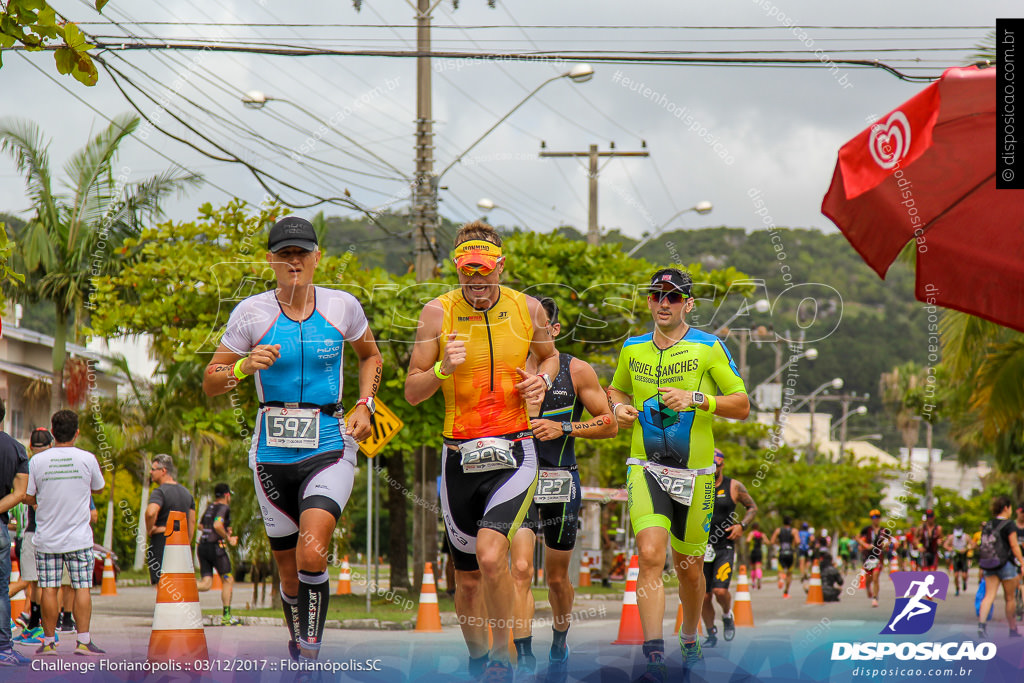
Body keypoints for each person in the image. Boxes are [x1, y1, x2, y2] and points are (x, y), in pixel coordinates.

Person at [203, 215, 382, 663]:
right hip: (270, 452)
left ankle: (310, 654)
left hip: (329, 443)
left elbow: (371, 357)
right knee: (288, 576)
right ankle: (299, 645)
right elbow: (210, 380)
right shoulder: (251, 312)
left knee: (311, 554)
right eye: (285, 255)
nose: (294, 261)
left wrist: (366, 404)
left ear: (317, 258)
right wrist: (244, 367)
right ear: (271, 261)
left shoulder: (343, 306)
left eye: (302, 253)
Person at [405, 221, 557, 681]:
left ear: (500, 267)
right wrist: (442, 369)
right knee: (467, 579)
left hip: (514, 449)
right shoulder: (437, 314)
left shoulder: (528, 309)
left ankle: (500, 659)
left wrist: (542, 381)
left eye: (484, 272)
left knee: (494, 558)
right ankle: (478, 662)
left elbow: (549, 356)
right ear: (456, 269)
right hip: (459, 456)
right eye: (467, 272)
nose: (475, 281)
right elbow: (413, 391)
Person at [607, 267, 749, 678]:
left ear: (688, 303)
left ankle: (689, 636)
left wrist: (697, 398)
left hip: (697, 475)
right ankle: (653, 648)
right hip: (645, 467)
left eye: (672, 297)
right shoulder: (632, 349)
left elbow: (741, 405)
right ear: (649, 302)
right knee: (651, 554)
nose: (663, 304)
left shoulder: (709, 347)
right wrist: (617, 407)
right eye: (656, 296)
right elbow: (616, 388)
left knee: (688, 567)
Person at [509, 296, 617, 672]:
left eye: (539, 326)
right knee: (520, 570)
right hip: (515, 481)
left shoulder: (577, 370)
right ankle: (523, 655)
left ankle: (559, 635)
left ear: (553, 330)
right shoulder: (507, 367)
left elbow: (609, 423)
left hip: (560, 479)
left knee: (556, 578)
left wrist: (565, 426)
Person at [24, 410, 105, 656]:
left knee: (49, 588)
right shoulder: (88, 458)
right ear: (77, 433)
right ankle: (83, 641)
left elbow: (28, 495)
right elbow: (99, 489)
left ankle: (48, 643)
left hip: (47, 537)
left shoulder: (37, 461)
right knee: (82, 587)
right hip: (79, 538)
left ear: (53, 432)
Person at [701, 450, 757, 648]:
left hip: (724, 545)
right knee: (703, 596)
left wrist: (742, 525)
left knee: (719, 591)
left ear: (722, 465)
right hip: (700, 547)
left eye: (716, 466)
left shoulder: (733, 486)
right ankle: (710, 633)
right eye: (710, 466)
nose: (713, 470)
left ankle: (726, 615)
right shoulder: (698, 484)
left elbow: (753, 507)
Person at [12, 429, 52, 646]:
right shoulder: (47, 466)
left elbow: (26, 497)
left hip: (31, 533)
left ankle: (36, 624)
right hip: (42, 531)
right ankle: (38, 626)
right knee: (35, 581)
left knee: (33, 581)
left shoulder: (30, 465)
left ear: (30, 448)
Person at [0, 398, 29, 667]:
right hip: (0, 526)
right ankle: (3, 649)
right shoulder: (15, 448)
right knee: (0, 590)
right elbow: (20, 493)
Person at [977, 495, 1024, 638]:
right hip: (1006, 565)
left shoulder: (988, 524)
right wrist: (1022, 562)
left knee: (989, 595)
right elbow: (1014, 545)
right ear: (1006, 508)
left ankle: (981, 625)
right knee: (1009, 598)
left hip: (990, 564)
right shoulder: (1009, 525)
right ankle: (1012, 629)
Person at [145, 454, 195, 586]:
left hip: (162, 542)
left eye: (153, 469)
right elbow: (192, 521)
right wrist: (187, 542)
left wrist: (150, 529)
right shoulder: (187, 493)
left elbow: (151, 512)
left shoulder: (160, 492)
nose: (150, 472)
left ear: (163, 471)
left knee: (162, 586)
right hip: (181, 542)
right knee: (178, 584)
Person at [196, 483, 240, 626]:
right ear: (227, 495)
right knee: (227, 579)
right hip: (215, 548)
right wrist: (227, 536)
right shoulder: (223, 508)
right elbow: (216, 525)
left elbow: (201, 526)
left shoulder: (210, 507)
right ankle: (226, 616)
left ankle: (181, 585)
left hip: (202, 546)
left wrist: (222, 529)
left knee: (206, 584)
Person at [858, 509, 891, 608]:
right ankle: (868, 588)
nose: (875, 519)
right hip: (868, 556)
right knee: (869, 578)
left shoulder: (884, 530)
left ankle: (875, 598)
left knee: (876, 577)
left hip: (878, 556)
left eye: (877, 517)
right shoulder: (866, 529)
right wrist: (865, 545)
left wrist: (886, 543)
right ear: (871, 519)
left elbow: (889, 539)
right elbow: (857, 537)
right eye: (873, 517)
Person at [770, 517, 797, 599]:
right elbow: (798, 541)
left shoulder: (778, 530)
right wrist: (793, 544)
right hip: (790, 553)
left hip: (781, 552)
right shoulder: (794, 531)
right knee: (789, 573)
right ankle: (786, 592)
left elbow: (772, 541)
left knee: (780, 570)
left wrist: (779, 543)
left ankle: (781, 578)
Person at [944, 526, 972, 596]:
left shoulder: (966, 537)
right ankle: (957, 588)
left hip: (963, 557)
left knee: (964, 575)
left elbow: (972, 544)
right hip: (955, 557)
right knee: (956, 575)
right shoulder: (952, 537)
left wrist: (966, 548)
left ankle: (964, 582)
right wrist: (949, 548)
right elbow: (945, 545)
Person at [746, 522, 765, 589]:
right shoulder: (761, 534)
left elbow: (748, 540)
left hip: (753, 551)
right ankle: (759, 578)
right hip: (759, 551)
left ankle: (753, 582)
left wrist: (749, 541)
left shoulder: (751, 533)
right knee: (758, 567)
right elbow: (767, 541)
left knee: (753, 568)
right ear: (758, 527)